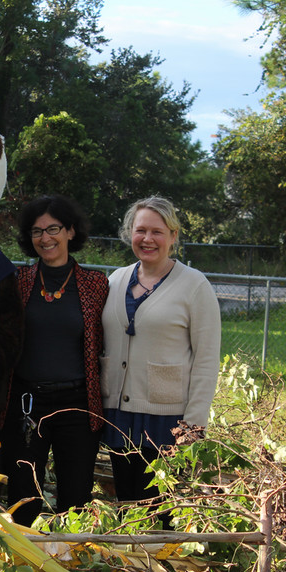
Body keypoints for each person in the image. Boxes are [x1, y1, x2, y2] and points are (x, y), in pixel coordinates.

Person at [100, 196, 221, 521]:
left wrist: (194, 424)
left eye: (157, 231)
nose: (148, 239)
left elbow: (207, 359)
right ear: (130, 233)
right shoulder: (115, 281)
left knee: (161, 511)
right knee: (127, 506)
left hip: (167, 419)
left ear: (173, 235)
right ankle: (132, 568)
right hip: (119, 414)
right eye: (141, 230)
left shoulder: (195, 286)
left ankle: (164, 568)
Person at [0, 195, 109, 527]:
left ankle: (68, 567)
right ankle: (20, 565)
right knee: (23, 496)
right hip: (26, 404)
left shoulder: (96, 285)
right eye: (37, 231)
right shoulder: (18, 282)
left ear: (71, 232)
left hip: (76, 404)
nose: (45, 238)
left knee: (74, 498)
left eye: (53, 229)